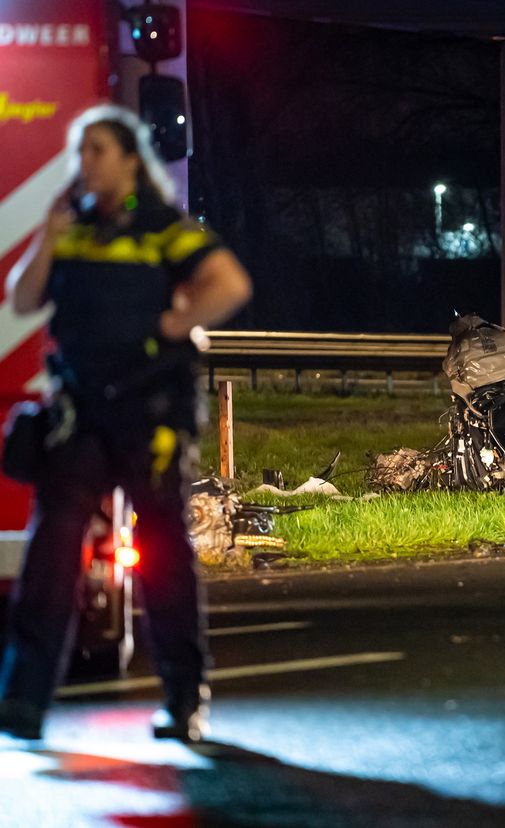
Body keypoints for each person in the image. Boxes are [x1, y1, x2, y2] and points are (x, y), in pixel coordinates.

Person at [0, 104, 251, 742]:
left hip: (149, 414)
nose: (84, 164)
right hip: (82, 413)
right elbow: (25, 298)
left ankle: (184, 700)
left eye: (96, 152)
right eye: (79, 153)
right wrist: (51, 234)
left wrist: (171, 325)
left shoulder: (162, 227)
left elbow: (228, 283)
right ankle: (24, 701)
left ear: (130, 160)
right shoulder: (74, 229)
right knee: (52, 554)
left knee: (164, 555)